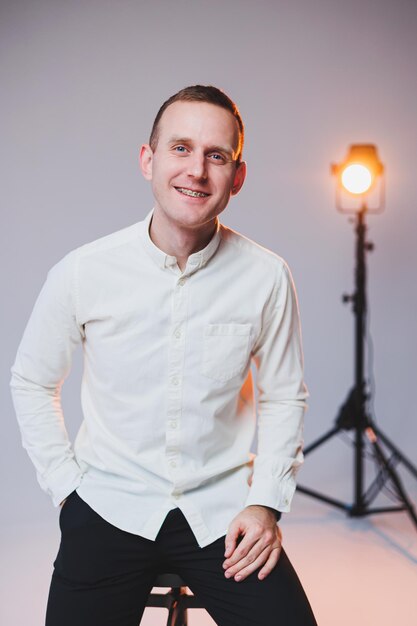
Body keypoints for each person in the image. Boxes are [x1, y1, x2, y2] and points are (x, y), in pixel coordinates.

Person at [10, 85, 317, 626]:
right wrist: (67, 491)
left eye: (216, 156)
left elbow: (284, 395)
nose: (196, 170)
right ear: (148, 160)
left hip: (223, 513)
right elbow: (32, 381)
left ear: (237, 178)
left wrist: (266, 502)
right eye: (180, 149)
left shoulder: (267, 276)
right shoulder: (83, 272)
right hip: (107, 506)